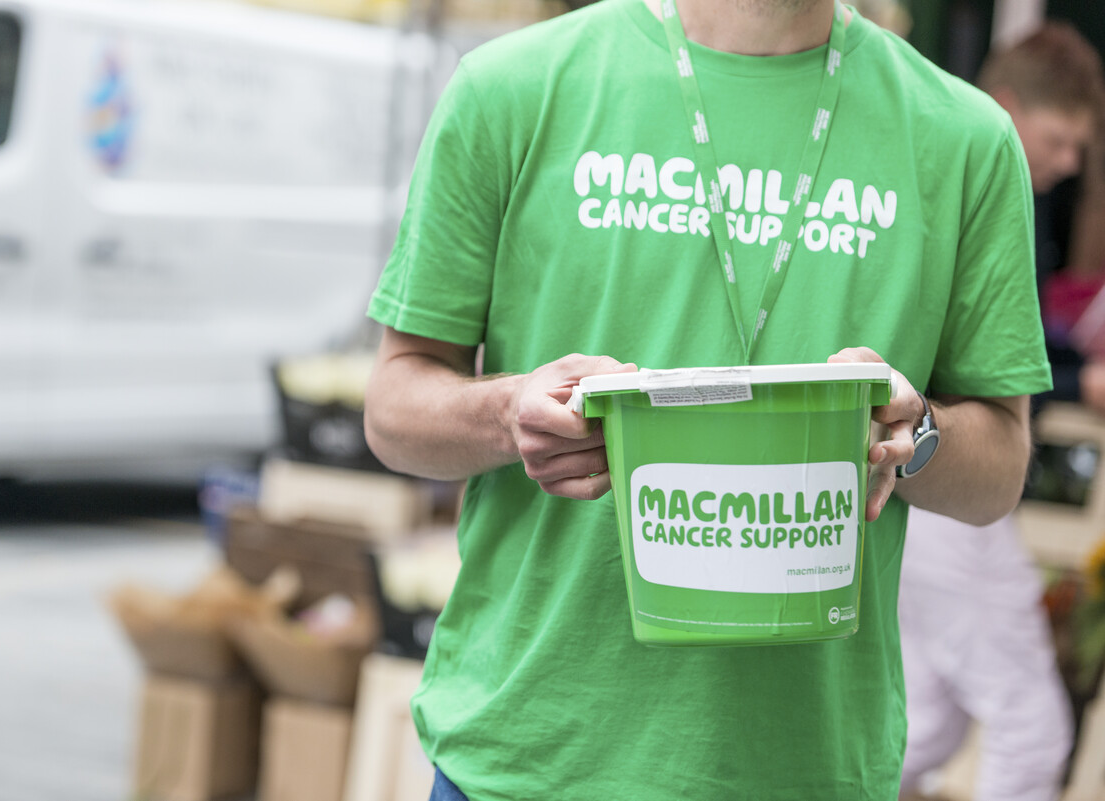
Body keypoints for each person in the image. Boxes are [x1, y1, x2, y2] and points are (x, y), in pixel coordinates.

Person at [363, 0, 1051, 798]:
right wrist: (508, 409)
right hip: (528, 761)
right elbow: (393, 406)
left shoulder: (964, 138)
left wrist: (916, 434)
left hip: (803, 771)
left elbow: (999, 470)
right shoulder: (514, 88)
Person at [898, 23, 1104, 801]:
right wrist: (1080, 378)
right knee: (1031, 726)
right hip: (952, 481)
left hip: (918, 494)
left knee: (926, 723)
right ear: (1005, 108)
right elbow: (985, 353)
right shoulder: (971, 181)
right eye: (1059, 138)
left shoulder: (937, 175)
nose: (1070, 162)